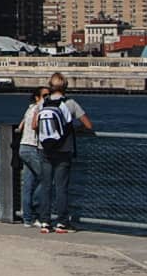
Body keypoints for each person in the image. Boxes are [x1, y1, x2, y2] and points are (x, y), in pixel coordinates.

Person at [37, 73, 94, 233]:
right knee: (61, 188)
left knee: (46, 186)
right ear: (66, 86)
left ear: (50, 86)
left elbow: (35, 124)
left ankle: (45, 222)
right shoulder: (70, 103)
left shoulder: (43, 102)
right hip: (63, 149)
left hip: (44, 149)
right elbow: (88, 125)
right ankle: (62, 222)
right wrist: (76, 129)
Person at [16, 81, 53, 229]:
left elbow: (21, 126)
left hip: (23, 147)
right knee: (46, 180)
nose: (47, 97)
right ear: (37, 97)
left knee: (28, 184)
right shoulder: (39, 108)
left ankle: (27, 218)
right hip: (33, 148)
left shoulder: (29, 108)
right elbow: (36, 125)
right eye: (45, 95)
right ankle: (37, 211)